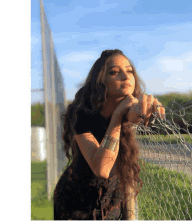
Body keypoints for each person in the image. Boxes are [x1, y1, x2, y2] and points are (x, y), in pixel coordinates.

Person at [53, 49, 165, 220]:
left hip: (112, 200)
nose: (126, 77)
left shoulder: (128, 108)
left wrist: (147, 108)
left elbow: (134, 113)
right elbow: (102, 169)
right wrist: (117, 116)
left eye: (129, 71)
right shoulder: (81, 114)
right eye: (114, 72)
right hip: (76, 204)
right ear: (101, 80)